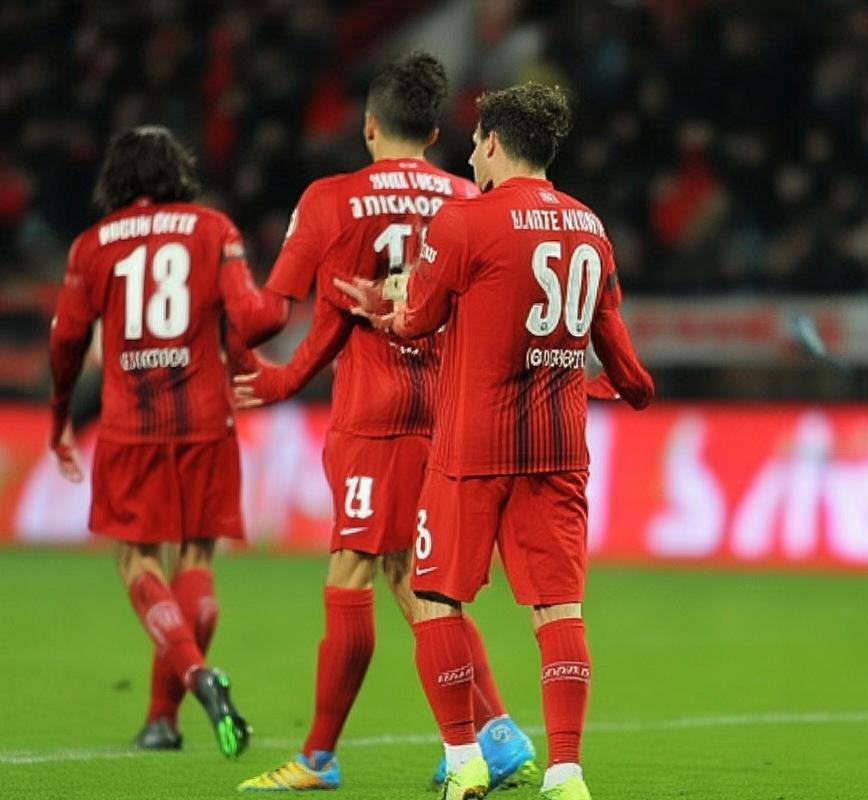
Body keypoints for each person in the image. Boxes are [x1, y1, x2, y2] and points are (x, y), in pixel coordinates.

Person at [337, 83, 655, 800]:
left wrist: (384, 311)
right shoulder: (590, 226)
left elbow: (418, 321)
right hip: (559, 448)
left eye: (476, 144)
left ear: (494, 144)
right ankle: (567, 773)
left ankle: (464, 761)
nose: (471, 157)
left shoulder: (465, 221)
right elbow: (618, 351)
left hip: (472, 446)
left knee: (435, 596)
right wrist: (629, 389)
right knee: (559, 611)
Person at [230, 52, 538, 792]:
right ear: (434, 132)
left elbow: (296, 309)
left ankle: (320, 758)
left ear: (368, 126)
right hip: (450, 410)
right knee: (414, 577)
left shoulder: (332, 199)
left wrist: (272, 366)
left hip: (377, 415)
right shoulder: (468, 196)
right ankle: (494, 734)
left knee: (356, 570)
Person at [48, 125, 283, 759]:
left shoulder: (92, 244)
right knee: (197, 561)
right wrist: (251, 364)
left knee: (138, 561)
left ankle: (195, 679)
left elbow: (66, 340)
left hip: (131, 425)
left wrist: (60, 413)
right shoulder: (214, 229)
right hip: (207, 418)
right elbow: (246, 315)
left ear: (116, 179)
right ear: (178, 171)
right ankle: (162, 718)